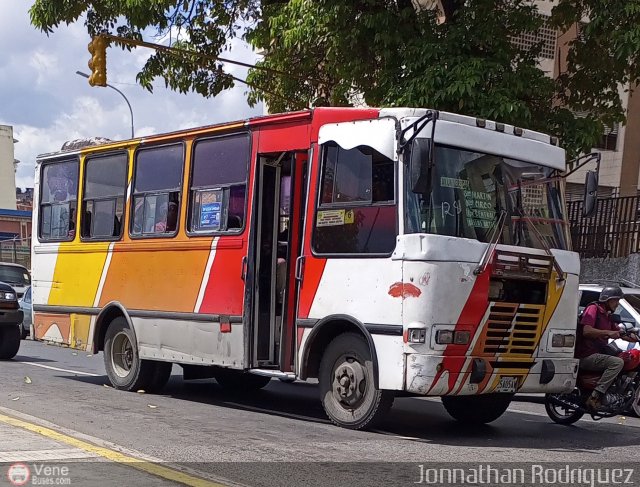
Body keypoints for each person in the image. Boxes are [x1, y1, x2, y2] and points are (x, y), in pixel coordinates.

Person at [576, 286, 638, 409]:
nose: (617, 304)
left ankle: (614, 391)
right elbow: (586, 331)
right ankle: (595, 396)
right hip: (586, 355)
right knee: (617, 362)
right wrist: (608, 333)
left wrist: (632, 337)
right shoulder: (593, 309)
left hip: (598, 353)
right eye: (616, 300)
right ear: (608, 300)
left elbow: (619, 332)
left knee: (626, 356)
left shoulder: (607, 315)